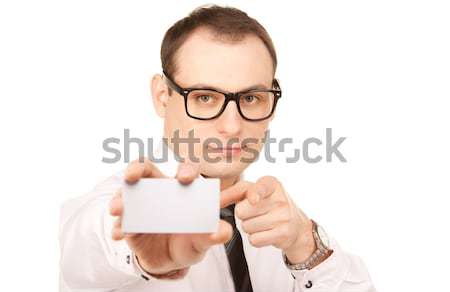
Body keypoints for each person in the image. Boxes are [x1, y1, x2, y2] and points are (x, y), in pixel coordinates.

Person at [59, 5, 376, 292]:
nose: (232, 127)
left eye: (251, 98)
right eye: (205, 97)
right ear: (161, 96)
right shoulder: (109, 208)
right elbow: (85, 247)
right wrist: (141, 233)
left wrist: (305, 244)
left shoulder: (278, 224)